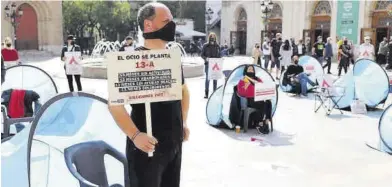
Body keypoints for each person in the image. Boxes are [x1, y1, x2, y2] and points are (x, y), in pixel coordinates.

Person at [109, 3, 190, 187]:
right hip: (146, 148)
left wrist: (183, 122)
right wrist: (135, 135)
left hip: (174, 146)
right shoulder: (128, 61)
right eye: (166, 21)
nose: (172, 26)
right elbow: (114, 105)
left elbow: (184, 91)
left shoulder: (172, 58)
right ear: (148, 25)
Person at [237, 65, 272, 134]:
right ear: (246, 71)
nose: (250, 70)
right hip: (250, 100)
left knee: (268, 102)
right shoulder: (243, 80)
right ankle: (261, 122)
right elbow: (240, 92)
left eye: (252, 69)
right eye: (249, 69)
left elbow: (263, 87)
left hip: (259, 98)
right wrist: (246, 86)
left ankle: (265, 120)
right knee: (262, 104)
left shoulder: (258, 79)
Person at [201, 32, 221, 98]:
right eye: (211, 37)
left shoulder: (217, 46)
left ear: (215, 38)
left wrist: (221, 59)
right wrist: (205, 58)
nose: (212, 38)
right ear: (209, 37)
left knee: (215, 78)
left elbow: (220, 55)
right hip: (208, 65)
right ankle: (206, 93)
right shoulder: (205, 45)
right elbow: (202, 55)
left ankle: (214, 93)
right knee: (208, 79)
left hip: (215, 65)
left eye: (213, 37)